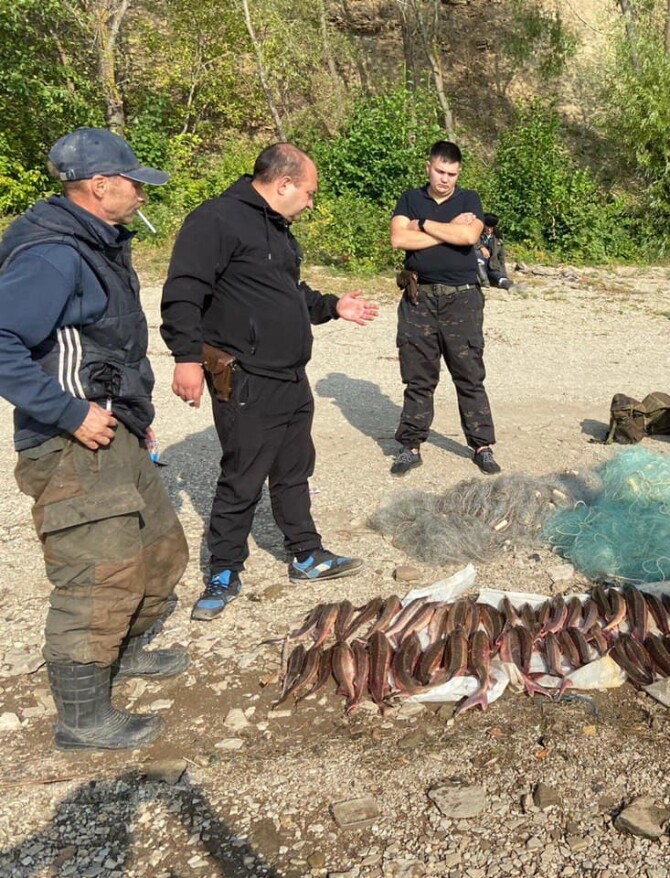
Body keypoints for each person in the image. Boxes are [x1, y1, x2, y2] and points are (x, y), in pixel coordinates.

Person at [0, 128, 190, 751]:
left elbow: (103, 347)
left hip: (115, 429)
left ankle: (127, 652)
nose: (141, 191)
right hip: (71, 445)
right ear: (99, 185)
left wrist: (132, 413)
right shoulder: (53, 253)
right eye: (133, 181)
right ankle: (81, 720)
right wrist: (68, 413)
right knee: (97, 575)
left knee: (159, 551)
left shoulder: (97, 244)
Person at [161, 143, 380, 622]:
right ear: (283, 184)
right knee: (242, 477)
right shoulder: (216, 219)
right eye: (309, 193)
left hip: (290, 377)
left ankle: (305, 554)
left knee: (293, 470)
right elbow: (182, 291)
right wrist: (185, 359)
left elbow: (288, 292)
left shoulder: (277, 231)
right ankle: (222, 570)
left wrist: (332, 308)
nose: (310, 203)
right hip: (247, 379)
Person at [389, 140, 500, 477]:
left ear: (458, 173)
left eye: (452, 173)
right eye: (440, 171)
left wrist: (421, 225)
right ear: (428, 167)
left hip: (462, 299)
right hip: (418, 297)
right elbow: (398, 239)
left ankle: (482, 446)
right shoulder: (411, 198)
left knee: (469, 375)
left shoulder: (470, 200)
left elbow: (470, 238)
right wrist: (449, 230)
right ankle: (410, 446)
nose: (445, 179)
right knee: (418, 377)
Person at [476, 212, 514, 290]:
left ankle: (506, 283)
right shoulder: (476, 234)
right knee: (477, 254)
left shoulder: (498, 239)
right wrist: (481, 247)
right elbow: (471, 243)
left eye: (492, 227)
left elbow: (501, 259)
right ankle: (484, 282)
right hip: (478, 266)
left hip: (493, 265)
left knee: (499, 277)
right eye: (487, 227)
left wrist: (504, 274)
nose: (489, 230)